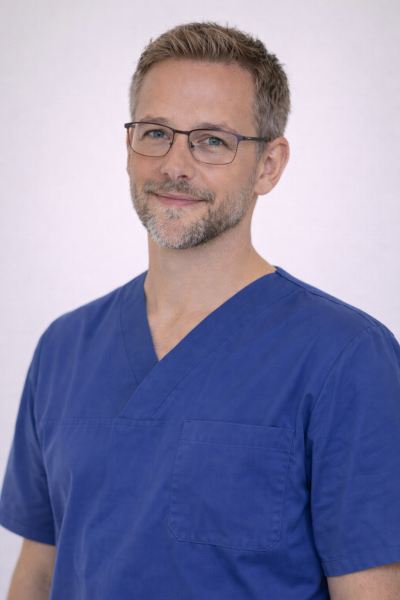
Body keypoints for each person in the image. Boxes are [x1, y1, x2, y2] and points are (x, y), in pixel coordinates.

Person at [1, 22, 400, 600]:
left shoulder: (346, 358)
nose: (175, 165)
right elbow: (38, 573)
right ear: (129, 147)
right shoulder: (64, 349)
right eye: (156, 133)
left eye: (212, 140)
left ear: (268, 165)